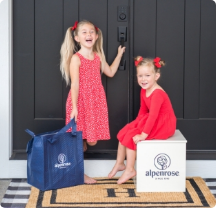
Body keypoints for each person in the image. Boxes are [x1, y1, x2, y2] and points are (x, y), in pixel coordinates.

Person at [60, 20, 125, 184]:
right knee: (77, 140)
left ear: (96, 36)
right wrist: (74, 107)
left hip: (95, 101)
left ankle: (80, 152)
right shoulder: (76, 58)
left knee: (91, 139)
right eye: (84, 32)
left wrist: (119, 55)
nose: (88, 34)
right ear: (76, 38)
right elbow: (74, 84)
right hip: (80, 101)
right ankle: (79, 173)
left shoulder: (98, 56)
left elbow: (109, 72)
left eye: (91, 32)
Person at [108, 56, 176, 184]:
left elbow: (154, 115)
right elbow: (143, 111)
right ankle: (120, 163)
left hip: (164, 123)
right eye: (140, 76)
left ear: (156, 76)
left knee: (132, 137)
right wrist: (136, 124)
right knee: (125, 131)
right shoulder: (144, 90)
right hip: (151, 119)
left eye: (147, 75)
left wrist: (143, 134)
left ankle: (130, 169)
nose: (143, 79)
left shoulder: (157, 94)